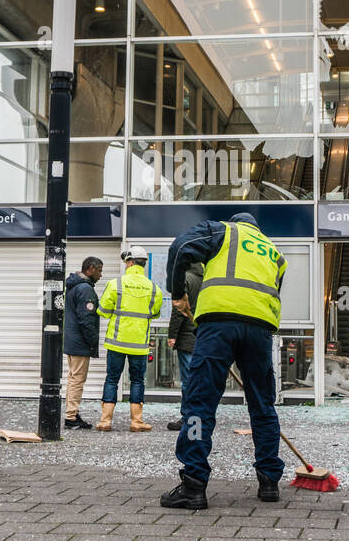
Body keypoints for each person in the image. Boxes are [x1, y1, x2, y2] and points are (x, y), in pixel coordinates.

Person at [161, 213, 287, 510]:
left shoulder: (223, 231)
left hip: (217, 326)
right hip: (259, 329)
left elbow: (180, 247)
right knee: (263, 405)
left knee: (199, 404)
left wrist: (177, 293)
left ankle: (193, 485)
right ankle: (269, 482)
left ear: (237, 222)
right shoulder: (275, 253)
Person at [95, 246, 163, 432]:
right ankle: (136, 421)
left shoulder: (116, 284)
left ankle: (105, 421)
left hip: (116, 342)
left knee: (112, 379)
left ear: (131, 262)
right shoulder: (154, 288)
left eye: (126, 262)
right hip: (139, 344)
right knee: (137, 381)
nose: (126, 265)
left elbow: (103, 311)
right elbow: (155, 313)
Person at [63, 256, 103, 430]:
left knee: (73, 378)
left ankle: (71, 413)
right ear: (91, 268)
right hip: (80, 343)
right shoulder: (85, 289)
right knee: (77, 379)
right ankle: (71, 417)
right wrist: (93, 341)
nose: (101, 275)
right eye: (100, 270)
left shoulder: (74, 287)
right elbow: (86, 319)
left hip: (72, 341)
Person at [165, 262, 204, 431]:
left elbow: (178, 309)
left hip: (188, 338)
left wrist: (172, 334)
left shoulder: (185, 279)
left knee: (188, 381)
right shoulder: (207, 278)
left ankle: (188, 418)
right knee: (201, 379)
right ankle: (201, 416)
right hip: (204, 336)